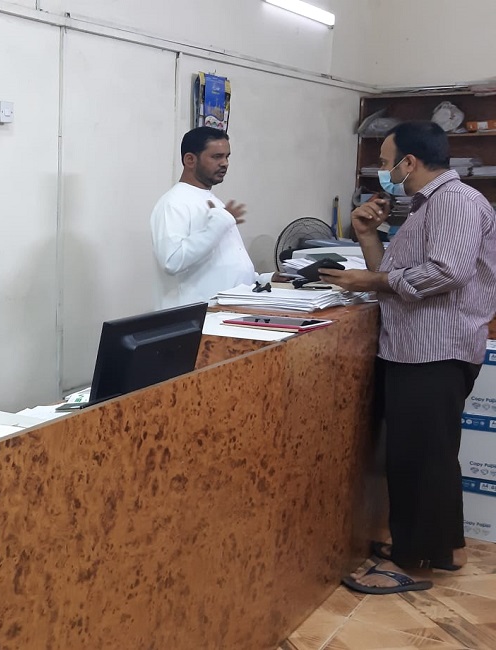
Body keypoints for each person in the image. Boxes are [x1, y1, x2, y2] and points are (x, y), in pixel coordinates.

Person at [320, 121, 496, 595]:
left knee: (423, 459)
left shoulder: (455, 202)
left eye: (385, 162)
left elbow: (447, 272)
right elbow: (394, 276)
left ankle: (412, 563)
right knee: (425, 453)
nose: (384, 171)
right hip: (415, 347)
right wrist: (367, 235)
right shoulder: (425, 206)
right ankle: (443, 550)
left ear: (409, 162)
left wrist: (368, 282)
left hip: (435, 349)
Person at [150, 127, 282, 309]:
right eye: (217, 157)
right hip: (197, 316)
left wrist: (265, 278)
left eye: (227, 157)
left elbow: (223, 264)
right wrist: (219, 224)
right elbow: (172, 261)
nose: (225, 163)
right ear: (190, 160)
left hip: (227, 311)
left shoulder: (213, 201)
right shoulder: (173, 203)